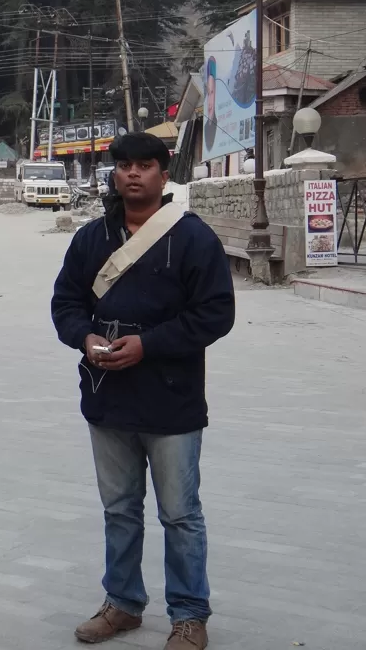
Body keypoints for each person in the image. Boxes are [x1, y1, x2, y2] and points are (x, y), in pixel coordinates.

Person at [51, 132, 235, 650]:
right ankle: (123, 603)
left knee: (180, 514)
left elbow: (216, 313)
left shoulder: (193, 238)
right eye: (125, 165)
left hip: (172, 398)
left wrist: (149, 345)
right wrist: (84, 337)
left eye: (145, 165)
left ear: (163, 173)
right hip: (106, 395)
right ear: (115, 174)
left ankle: (190, 615)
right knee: (119, 509)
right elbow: (66, 303)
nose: (133, 173)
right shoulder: (91, 239)